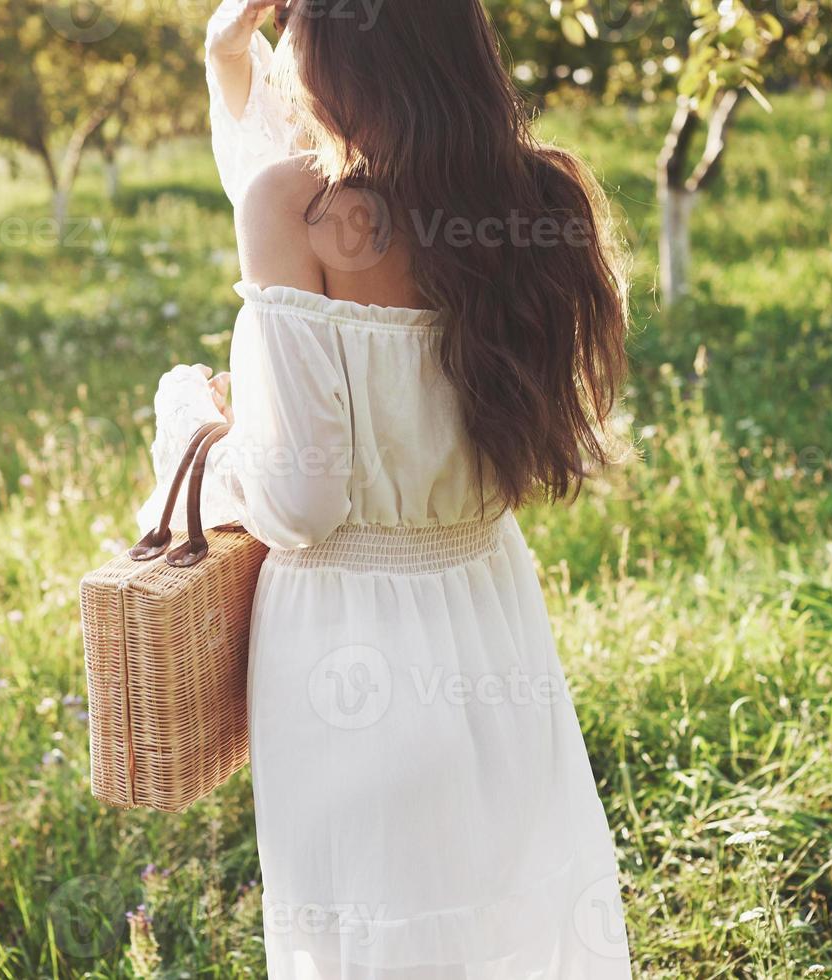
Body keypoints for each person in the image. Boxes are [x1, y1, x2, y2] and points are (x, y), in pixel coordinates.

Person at [137, 0, 633, 974]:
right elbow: (302, 205)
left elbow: (300, 500)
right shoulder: (534, 195)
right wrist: (227, 58)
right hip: (488, 613)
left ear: (336, 58)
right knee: (504, 913)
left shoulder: (299, 209)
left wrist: (189, 428)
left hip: (345, 640)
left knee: (374, 935)